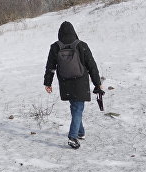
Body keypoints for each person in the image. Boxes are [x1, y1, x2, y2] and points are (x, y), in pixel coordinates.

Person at [44, 21, 104, 149]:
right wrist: (97, 83)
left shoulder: (55, 47)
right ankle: (73, 137)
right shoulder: (81, 45)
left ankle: (80, 132)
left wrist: (48, 83)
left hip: (65, 83)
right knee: (77, 108)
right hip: (80, 82)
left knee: (75, 107)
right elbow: (92, 66)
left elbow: (50, 67)